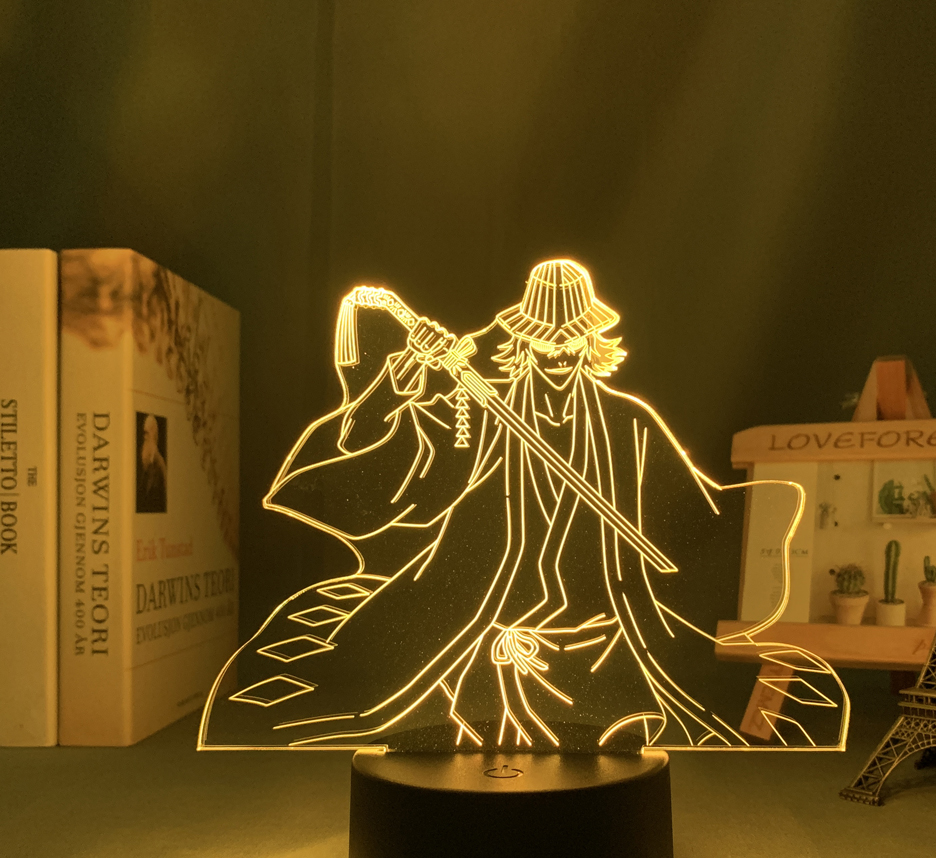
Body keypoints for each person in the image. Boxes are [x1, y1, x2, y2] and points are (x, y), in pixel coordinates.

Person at [201, 259, 846, 752]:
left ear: (592, 345)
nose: (560, 354)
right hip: (490, 592)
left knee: (683, 692)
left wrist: (764, 524)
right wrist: (398, 390)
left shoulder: (628, 422)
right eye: (546, 341)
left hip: (609, 599)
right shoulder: (479, 408)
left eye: (572, 341)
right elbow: (380, 454)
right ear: (525, 344)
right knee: (385, 688)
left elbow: (693, 514)